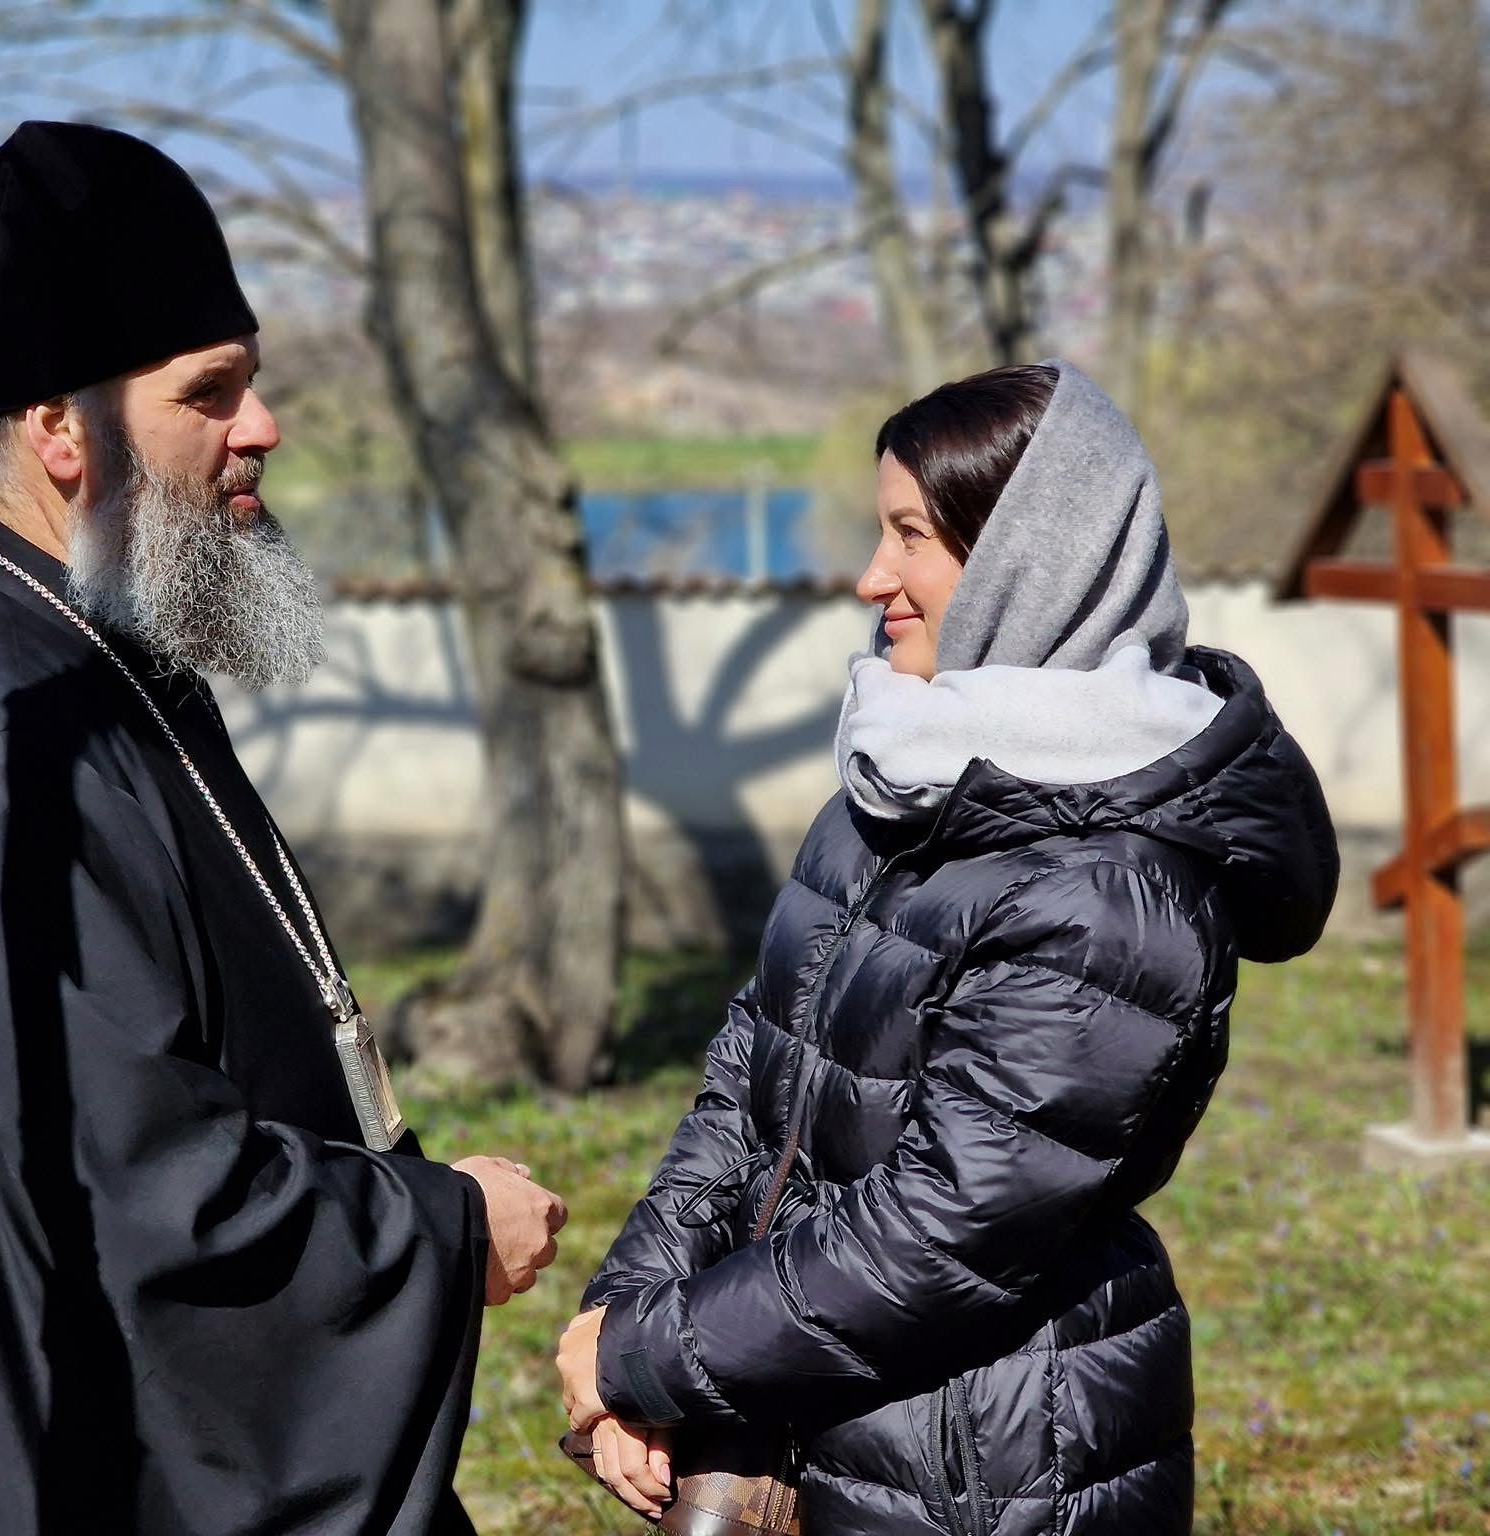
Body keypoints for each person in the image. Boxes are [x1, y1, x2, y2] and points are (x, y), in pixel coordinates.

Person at [0, 121, 567, 1536]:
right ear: (60, 427)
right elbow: (128, 1204)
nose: (264, 428)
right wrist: (437, 1233)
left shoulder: (81, 648)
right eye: (209, 391)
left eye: (252, 381)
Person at [556, 361, 1339, 1533]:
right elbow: (750, 1079)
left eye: (909, 536)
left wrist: (648, 1353)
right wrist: (625, 1312)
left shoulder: (1110, 890)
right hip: (799, 1391)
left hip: (988, 1464)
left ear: (1027, 559)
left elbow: (944, 1226)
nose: (871, 577)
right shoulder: (897, 784)